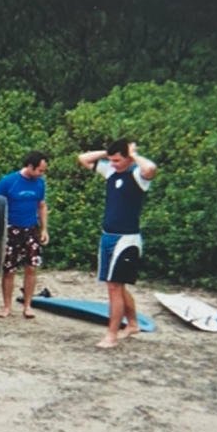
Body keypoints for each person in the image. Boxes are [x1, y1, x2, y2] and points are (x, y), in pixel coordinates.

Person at [77, 139, 157, 348]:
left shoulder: (137, 176)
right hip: (108, 236)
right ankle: (132, 324)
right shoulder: (111, 172)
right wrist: (107, 152)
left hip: (126, 239)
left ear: (128, 158)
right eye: (111, 160)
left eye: (118, 160)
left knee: (115, 286)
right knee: (116, 286)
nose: (113, 163)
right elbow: (83, 159)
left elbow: (150, 168)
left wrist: (133, 154)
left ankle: (111, 335)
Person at [0, 151, 49, 319]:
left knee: (31, 268)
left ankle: (27, 305)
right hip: (11, 229)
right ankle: (7, 306)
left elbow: (41, 206)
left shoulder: (40, 183)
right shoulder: (8, 182)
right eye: (40, 170)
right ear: (30, 166)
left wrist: (44, 229)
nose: (42, 174)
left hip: (30, 229)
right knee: (9, 270)